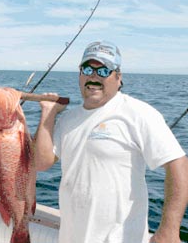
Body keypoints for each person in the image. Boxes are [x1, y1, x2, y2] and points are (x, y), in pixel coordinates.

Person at [34, 40, 188, 243]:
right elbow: (41, 162)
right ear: (80, 75)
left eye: (103, 71)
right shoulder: (67, 119)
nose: (94, 76)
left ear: (118, 77)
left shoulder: (138, 113)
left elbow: (178, 163)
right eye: (87, 69)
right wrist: (48, 114)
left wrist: (169, 230)